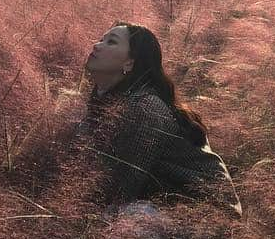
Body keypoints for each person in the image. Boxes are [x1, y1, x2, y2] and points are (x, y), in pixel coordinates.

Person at [81, 23, 241, 214]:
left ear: (129, 63)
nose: (97, 45)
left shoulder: (144, 107)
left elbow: (123, 186)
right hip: (166, 203)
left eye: (111, 42)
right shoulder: (106, 97)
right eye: (101, 39)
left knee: (122, 218)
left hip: (207, 211)